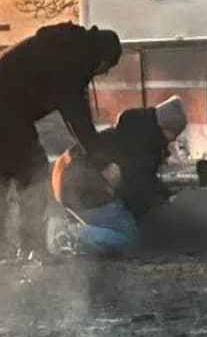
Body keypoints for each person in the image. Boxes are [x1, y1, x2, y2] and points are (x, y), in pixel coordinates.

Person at [0, 22, 121, 262]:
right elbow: (77, 117)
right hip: (2, 101)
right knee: (33, 169)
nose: (102, 73)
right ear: (102, 58)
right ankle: (32, 245)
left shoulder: (68, 46)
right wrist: (103, 161)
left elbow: (74, 113)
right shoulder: (72, 60)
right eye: (106, 68)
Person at [50, 96, 186, 255]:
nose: (172, 140)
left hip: (67, 177)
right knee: (128, 239)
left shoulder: (137, 131)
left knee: (125, 228)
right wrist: (164, 203)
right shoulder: (143, 145)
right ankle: (69, 236)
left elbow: (138, 180)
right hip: (84, 187)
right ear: (166, 128)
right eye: (173, 134)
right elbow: (136, 188)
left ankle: (73, 229)